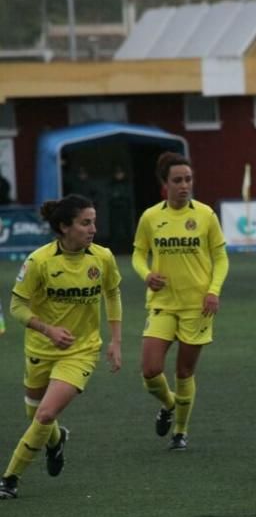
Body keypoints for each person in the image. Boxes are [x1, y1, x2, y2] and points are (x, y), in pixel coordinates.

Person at [0, 195, 122, 499]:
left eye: (93, 221)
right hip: (40, 349)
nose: (93, 228)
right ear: (64, 227)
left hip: (81, 351)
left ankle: (9, 478)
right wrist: (48, 329)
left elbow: (112, 293)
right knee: (37, 416)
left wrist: (115, 341)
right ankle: (56, 441)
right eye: (85, 223)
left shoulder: (102, 257)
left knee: (44, 415)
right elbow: (17, 305)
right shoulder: (39, 261)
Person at [132, 152, 229, 451]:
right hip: (162, 302)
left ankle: (180, 431)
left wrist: (213, 291)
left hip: (197, 305)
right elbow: (137, 254)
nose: (184, 185)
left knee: (184, 372)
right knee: (150, 371)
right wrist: (147, 274)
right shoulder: (151, 217)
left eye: (188, 179)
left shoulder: (205, 215)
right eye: (177, 180)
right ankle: (170, 404)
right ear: (165, 184)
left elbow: (221, 258)